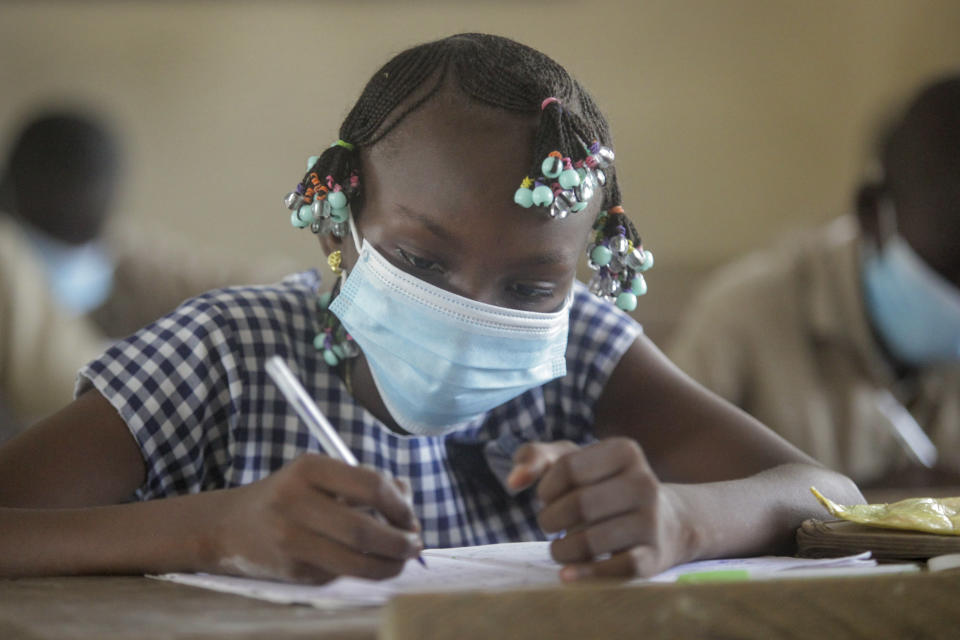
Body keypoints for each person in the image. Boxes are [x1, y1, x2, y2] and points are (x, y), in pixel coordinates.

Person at [0, 34, 860, 583]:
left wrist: (682, 520)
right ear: (339, 221)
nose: (471, 310)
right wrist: (214, 530)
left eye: (530, 287)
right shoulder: (224, 354)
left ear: (583, 272)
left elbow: (829, 495)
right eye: (419, 259)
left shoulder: (583, 355)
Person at [668, 75, 960, 489]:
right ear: (874, 214)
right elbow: (669, 495)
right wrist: (858, 506)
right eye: (951, 269)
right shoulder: (741, 318)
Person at [0, 110, 294, 428]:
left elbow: (203, 277)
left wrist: (297, 299)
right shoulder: (10, 258)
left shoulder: (108, 245)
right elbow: (65, 384)